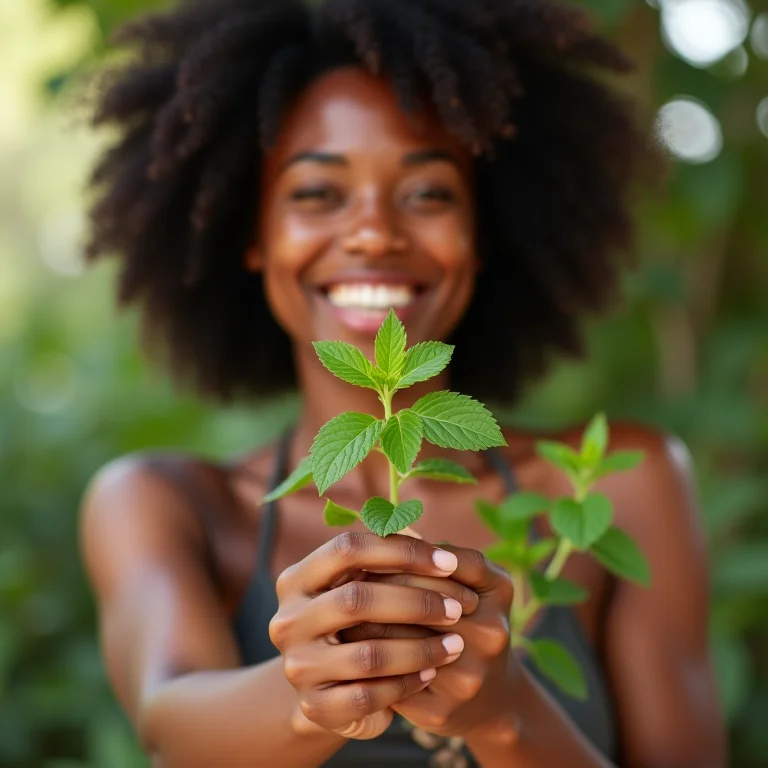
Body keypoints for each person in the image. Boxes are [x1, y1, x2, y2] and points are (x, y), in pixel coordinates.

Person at [79, 0, 726, 765]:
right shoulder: (167, 504)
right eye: (317, 193)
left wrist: (504, 713)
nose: (376, 232)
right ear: (251, 237)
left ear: (485, 235)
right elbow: (169, 720)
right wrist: (310, 695)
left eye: (428, 194)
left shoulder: (620, 486)